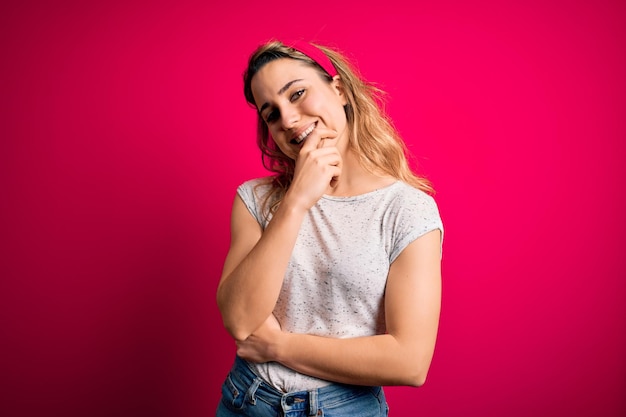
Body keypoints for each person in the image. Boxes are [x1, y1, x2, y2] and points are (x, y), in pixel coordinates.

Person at [216, 39, 443, 417]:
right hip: (247, 401)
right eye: (271, 114)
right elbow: (240, 321)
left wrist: (278, 346)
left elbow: (410, 361)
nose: (288, 119)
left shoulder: (406, 210)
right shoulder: (255, 199)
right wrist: (295, 203)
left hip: (344, 409)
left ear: (338, 89)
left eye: (298, 93)